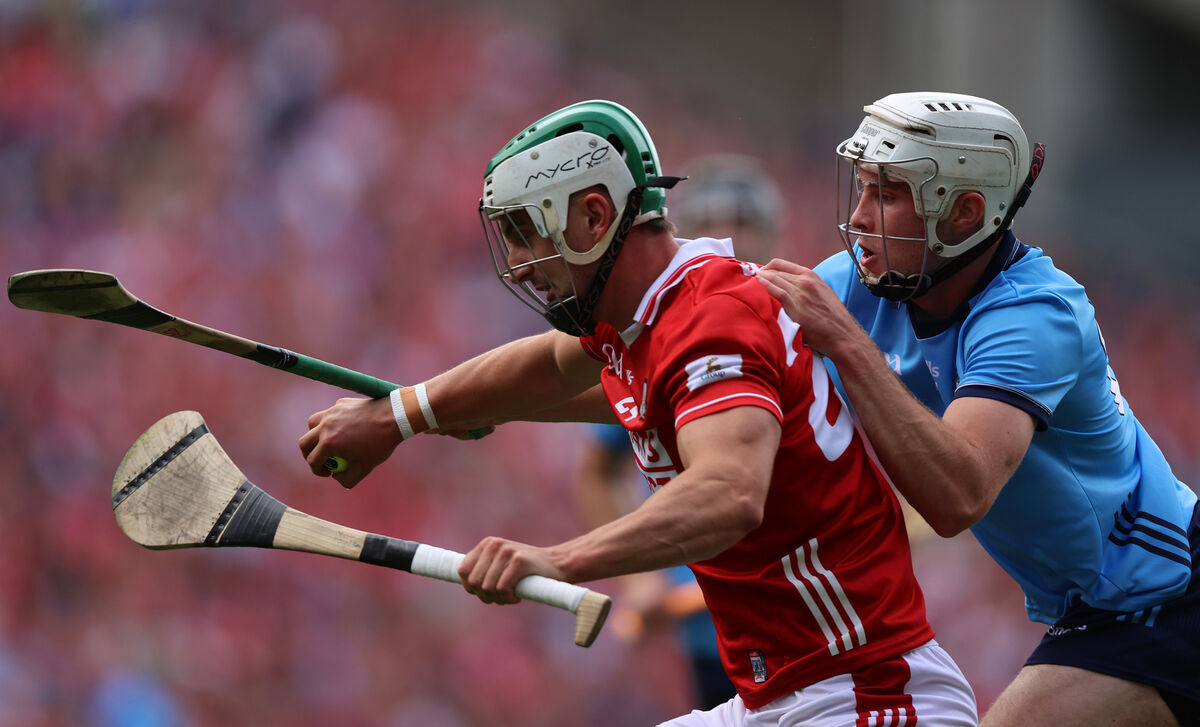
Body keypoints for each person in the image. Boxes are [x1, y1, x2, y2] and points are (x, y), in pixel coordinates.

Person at [299, 99, 978, 726]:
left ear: (595, 218)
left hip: (865, 693)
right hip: (785, 697)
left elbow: (729, 493)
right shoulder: (647, 314)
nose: (519, 265)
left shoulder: (708, 323)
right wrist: (398, 416)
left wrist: (559, 559)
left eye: (525, 233)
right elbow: (547, 365)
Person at [756, 91, 1200, 727]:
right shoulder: (870, 278)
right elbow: (723, 360)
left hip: (1164, 589)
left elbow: (958, 496)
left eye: (887, 194)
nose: (857, 217)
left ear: (964, 213)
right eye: (862, 187)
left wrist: (847, 344)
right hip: (1105, 600)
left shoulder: (1032, 315)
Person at [574, 154, 782, 711]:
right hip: (713, 633)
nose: (730, 237)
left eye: (743, 223)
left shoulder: (804, 334)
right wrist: (642, 580)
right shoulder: (658, 345)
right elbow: (597, 470)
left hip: (804, 620)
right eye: (713, 224)